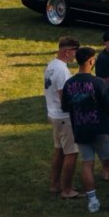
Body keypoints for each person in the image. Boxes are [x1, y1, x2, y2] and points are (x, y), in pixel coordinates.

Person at [63, 45, 109, 213]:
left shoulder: (69, 84)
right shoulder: (98, 83)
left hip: (80, 129)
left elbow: (66, 107)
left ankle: (92, 201)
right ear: (90, 61)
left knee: (87, 164)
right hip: (101, 129)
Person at [45, 36, 80, 199]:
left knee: (59, 151)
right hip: (64, 116)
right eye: (74, 51)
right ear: (67, 51)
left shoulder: (51, 65)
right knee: (71, 153)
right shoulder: (62, 70)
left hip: (53, 114)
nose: (75, 55)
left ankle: (54, 184)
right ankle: (67, 189)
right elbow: (64, 96)